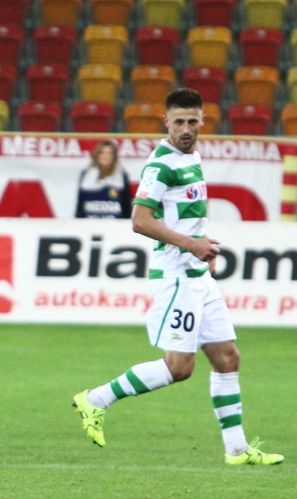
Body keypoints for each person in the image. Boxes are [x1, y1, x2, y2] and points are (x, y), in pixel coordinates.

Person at [71, 88, 283, 466]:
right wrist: (190, 245)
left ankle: (237, 450)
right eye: (179, 122)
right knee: (179, 368)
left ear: (203, 121)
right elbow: (140, 220)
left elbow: (181, 214)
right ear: (166, 122)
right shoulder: (161, 166)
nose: (186, 129)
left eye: (192, 121)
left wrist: (201, 246)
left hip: (197, 274)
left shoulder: (192, 157)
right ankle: (95, 399)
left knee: (227, 358)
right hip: (176, 277)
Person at [75, 140, 132, 219]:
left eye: (109, 153)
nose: (106, 156)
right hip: (90, 223)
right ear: (97, 155)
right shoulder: (86, 175)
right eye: (102, 153)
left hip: (115, 224)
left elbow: (127, 208)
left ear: (114, 157)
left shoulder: (121, 176)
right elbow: (80, 207)